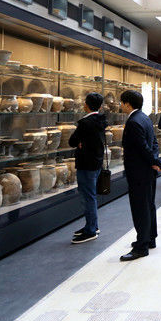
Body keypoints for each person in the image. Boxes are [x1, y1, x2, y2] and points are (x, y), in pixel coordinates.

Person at [119, 90, 161, 262]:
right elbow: (153, 144)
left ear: (127, 104)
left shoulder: (133, 121)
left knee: (140, 208)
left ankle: (141, 246)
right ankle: (150, 238)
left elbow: (141, 147)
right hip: (147, 170)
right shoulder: (144, 117)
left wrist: (155, 161)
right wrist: (154, 161)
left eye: (121, 102)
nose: (120, 105)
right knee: (149, 205)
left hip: (138, 171)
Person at [68, 92, 107, 244]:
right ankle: (92, 225)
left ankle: (90, 230)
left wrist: (80, 142)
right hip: (96, 162)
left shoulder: (85, 123)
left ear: (86, 105)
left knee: (88, 197)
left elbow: (72, 141)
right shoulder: (101, 120)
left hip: (86, 164)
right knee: (91, 196)